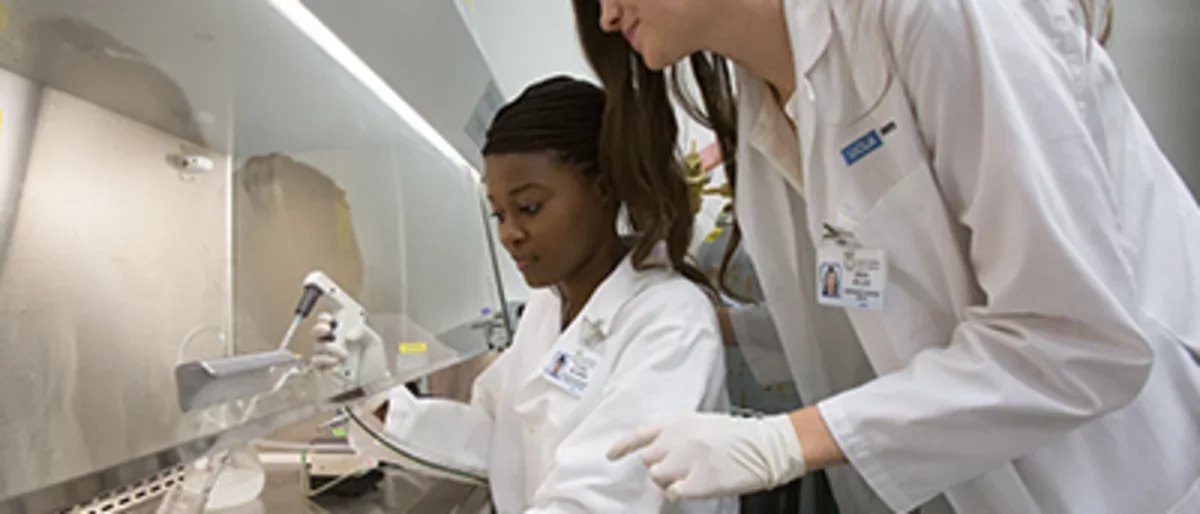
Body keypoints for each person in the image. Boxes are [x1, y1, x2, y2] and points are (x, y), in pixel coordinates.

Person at [573, 0, 1200, 513]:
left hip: (1142, 467)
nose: (604, 16)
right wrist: (721, 327)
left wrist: (789, 440)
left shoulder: (934, 13)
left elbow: (1077, 336)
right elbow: (868, 303)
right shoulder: (765, 104)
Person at [325, 76, 738, 514]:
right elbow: (497, 434)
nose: (509, 234)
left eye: (529, 208)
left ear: (603, 187)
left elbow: (600, 498)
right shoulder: (549, 305)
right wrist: (378, 400)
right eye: (498, 213)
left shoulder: (670, 319)